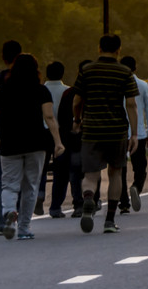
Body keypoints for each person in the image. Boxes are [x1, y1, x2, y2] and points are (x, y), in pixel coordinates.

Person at [0, 54, 63, 240]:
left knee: (9, 184)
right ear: (36, 70)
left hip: (10, 143)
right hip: (36, 144)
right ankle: (23, 228)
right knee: (31, 185)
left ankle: (8, 212)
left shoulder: (3, 90)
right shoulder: (41, 91)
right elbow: (49, 117)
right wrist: (58, 141)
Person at [73, 35, 139, 234]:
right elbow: (131, 104)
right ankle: (110, 220)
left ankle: (87, 198)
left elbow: (77, 101)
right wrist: (134, 133)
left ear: (99, 48)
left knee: (91, 174)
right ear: (119, 50)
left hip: (92, 129)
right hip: (116, 130)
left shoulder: (87, 70)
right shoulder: (125, 72)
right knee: (115, 173)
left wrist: (78, 120)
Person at [0, 39, 22, 235]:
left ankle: (1, 221)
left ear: (3, 56)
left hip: (2, 137)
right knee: (25, 180)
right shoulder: (30, 80)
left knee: (1, 181)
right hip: (26, 137)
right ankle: (21, 219)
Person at [53, 60, 91, 218]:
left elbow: (61, 118)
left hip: (73, 139)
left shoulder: (69, 93)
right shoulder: (96, 92)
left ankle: (78, 204)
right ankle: (92, 199)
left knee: (74, 172)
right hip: (91, 139)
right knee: (92, 172)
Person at [117, 56, 148, 214]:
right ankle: (136, 187)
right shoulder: (143, 85)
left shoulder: (116, 84)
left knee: (120, 168)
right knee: (140, 167)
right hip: (137, 133)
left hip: (119, 132)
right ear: (135, 68)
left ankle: (124, 202)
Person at [35, 61, 68, 218]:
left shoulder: (39, 90)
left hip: (40, 132)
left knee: (40, 167)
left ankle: (39, 194)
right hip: (61, 134)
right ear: (62, 73)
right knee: (60, 172)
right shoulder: (67, 91)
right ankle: (55, 207)